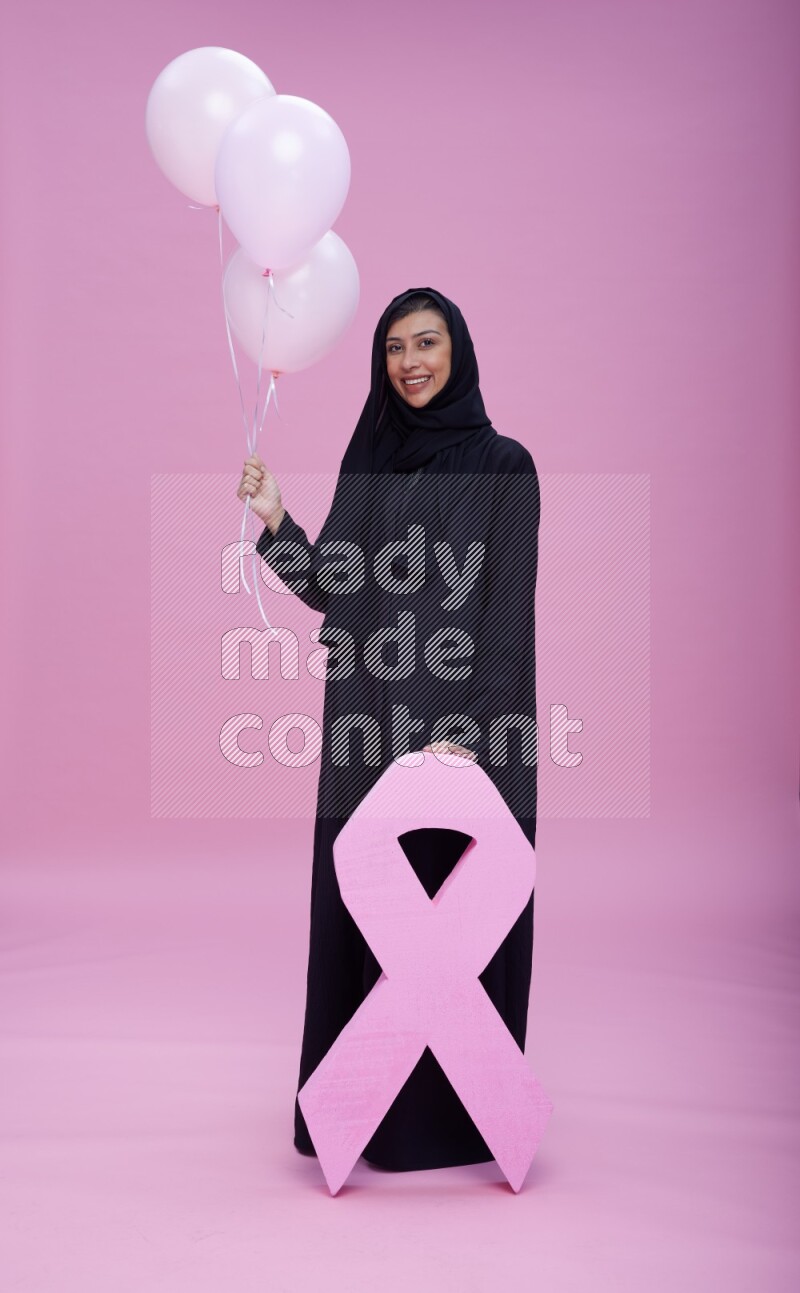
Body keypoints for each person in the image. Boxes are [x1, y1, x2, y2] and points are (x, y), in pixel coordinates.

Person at [236, 286, 541, 1171]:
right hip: (368, 730)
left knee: (452, 922)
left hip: (463, 738)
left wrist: (463, 736)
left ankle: (453, 1126)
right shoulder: (370, 458)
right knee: (371, 919)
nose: (410, 362)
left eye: (427, 343)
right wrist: (277, 522)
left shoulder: (506, 467)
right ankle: (362, 1119)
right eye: (395, 349)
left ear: (458, 351)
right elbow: (338, 586)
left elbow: (505, 614)